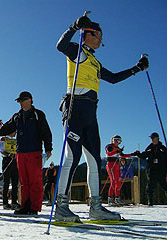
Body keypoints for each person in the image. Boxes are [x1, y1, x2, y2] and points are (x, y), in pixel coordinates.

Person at [55, 14, 149, 221]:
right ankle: (61, 207)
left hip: (90, 113)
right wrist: (74, 26)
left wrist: (138, 68)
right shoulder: (77, 52)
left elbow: (114, 79)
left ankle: (95, 206)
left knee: (94, 161)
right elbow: (60, 46)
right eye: (98, 36)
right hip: (74, 108)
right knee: (72, 156)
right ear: (88, 34)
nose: (100, 41)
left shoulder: (95, 62)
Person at [0, 91, 53, 215]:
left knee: (34, 181)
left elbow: (46, 131)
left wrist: (48, 148)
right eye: (19, 101)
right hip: (20, 152)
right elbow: (6, 129)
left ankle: (34, 207)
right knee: (24, 181)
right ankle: (25, 206)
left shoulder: (38, 114)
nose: (20, 103)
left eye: (22, 100)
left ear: (30, 100)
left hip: (34, 151)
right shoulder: (17, 116)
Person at [105, 135, 138, 206]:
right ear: (112, 140)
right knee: (113, 182)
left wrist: (133, 154)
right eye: (115, 140)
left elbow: (123, 155)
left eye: (119, 140)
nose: (117, 142)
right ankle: (110, 199)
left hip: (117, 165)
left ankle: (117, 198)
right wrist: (117, 151)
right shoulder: (109, 146)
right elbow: (109, 152)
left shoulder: (118, 148)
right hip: (111, 165)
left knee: (118, 182)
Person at [137, 132, 167, 206]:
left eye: (153, 138)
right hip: (152, 170)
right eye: (151, 138)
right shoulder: (149, 148)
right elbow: (144, 156)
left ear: (157, 138)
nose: (152, 139)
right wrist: (138, 154)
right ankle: (150, 202)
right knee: (150, 186)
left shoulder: (162, 148)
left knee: (165, 185)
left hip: (161, 170)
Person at [0, 133, 20, 210]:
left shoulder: (16, 139)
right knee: (6, 182)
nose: (15, 133)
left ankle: (14, 202)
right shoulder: (3, 138)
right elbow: (1, 150)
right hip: (7, 160)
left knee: (15, 182)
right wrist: (8, 154)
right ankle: (5, 203)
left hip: (15, 161)